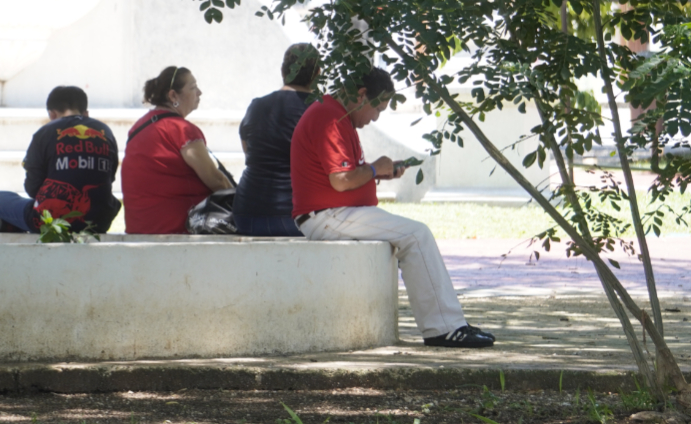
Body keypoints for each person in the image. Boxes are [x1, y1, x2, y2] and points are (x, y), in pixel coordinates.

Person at [290, 67, 496, 348]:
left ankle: (447, 324)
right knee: (416, 234)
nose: (376, 117)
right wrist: (375, 168)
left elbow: (345, 176)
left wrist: (378, 173)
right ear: (362, 95)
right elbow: (341, 180)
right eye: (378, 108)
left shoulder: (337, 115)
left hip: (334, 213)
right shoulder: (330, 117)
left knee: (415, 233)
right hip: (326, 216)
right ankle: (444, 328)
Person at [0, 86, 121, 234]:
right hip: (98, 221)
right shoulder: (105, 132)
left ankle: (8, 225)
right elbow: (110, 177)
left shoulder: (45, 132)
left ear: (51, 114)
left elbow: (33, 188)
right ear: (86, 113)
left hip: (52, 221)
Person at [120, 65, 232, 234]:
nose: (199, 92)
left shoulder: (137, 127)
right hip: (177, 230)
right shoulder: (181, 129)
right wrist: (241, 202)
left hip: (138, 228)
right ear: (173, 95)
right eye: (193, 87)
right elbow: (217, 181)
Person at [233, 44, 319, 236]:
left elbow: (248, 150)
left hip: (246, 214)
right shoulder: (319, 111)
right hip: (298, 218)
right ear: (317, 74)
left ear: (282, 70)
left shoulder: (256, 106)